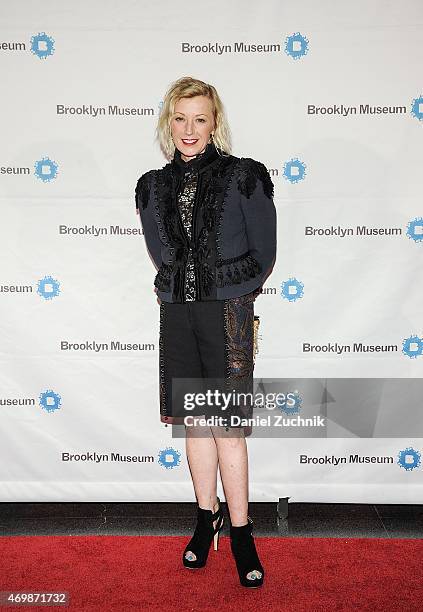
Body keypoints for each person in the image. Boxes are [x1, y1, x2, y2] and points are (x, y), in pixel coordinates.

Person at [135, 76, 276, 588]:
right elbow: (162, 256)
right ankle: (204, 518)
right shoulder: (152, 185)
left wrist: (219, 292)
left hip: (227, 316)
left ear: (215, 122)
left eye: (199, 118)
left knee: (229, 432)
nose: (189, 129)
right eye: (179, 118)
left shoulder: (245, 176)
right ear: (167, 123)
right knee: (196, 427)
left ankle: (241, 532)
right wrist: (186, 291)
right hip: (179, 317)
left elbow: (263, 256)